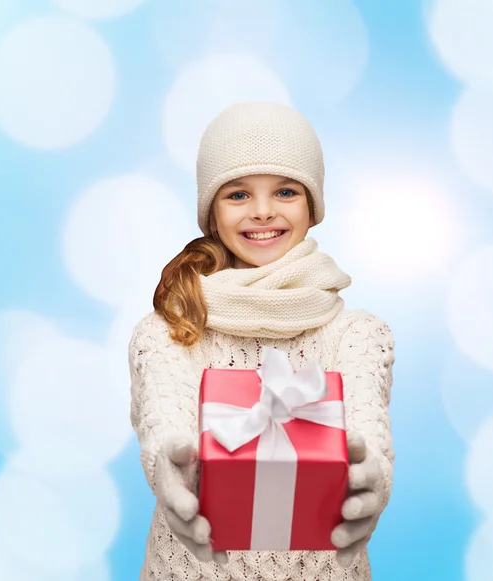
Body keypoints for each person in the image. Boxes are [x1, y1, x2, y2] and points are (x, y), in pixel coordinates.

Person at [128, 101, 396, 581]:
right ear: (210, 210)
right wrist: (168, 468)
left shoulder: (359, 335)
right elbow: (163, 419)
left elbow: (367, 434)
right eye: (237, 194)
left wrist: (373, 480)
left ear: (313, 205)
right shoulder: (167, 331)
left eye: (286, 190)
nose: (263, 211)